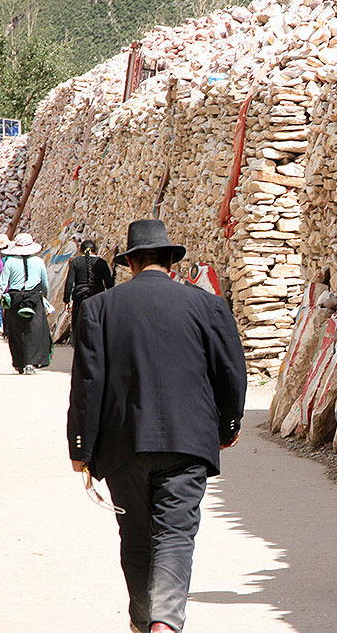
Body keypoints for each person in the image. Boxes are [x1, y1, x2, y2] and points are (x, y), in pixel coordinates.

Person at [67, 219, 246, 633]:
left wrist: (81, 449)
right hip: (189, 443)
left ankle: (144, 617)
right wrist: (227, 425)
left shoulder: (99, 308)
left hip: (123, 445)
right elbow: (231, 370)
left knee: (134, 533)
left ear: (130, 263)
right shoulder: (208, 306)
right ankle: (165, 621)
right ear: (171, 260)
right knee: (175, 533)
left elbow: (88, 383)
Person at [0, 233, 52, 375]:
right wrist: (44, 299)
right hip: (34, 299)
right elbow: (45, 284)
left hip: (15, 299)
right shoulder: (39, 261)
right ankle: (31, 363)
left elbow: (1, 284)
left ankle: (19, 362)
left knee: (17, 331)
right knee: (35, 331)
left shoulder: (10, 262)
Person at [63, 239, 114, 341]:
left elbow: (69, 282)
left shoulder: (75, 262)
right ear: (95, 250)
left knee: (78, 324)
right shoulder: (102, 262)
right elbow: (109, 283)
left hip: (80, 298)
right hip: (98, 297)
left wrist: (66, 300)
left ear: (81, 250)